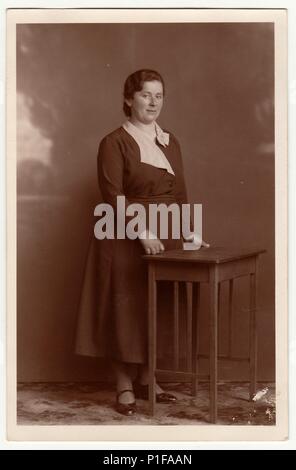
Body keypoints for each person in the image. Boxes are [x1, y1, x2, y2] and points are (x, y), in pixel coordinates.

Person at [75, 69, 208, 416]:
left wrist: (189, 232)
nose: (153, 102)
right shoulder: (114, 142)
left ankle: (149, 378)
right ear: (128, 99)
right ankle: (123, 385)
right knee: (126, 308)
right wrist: (143, 233)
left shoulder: (170, 140)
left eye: (159, 95)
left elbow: (179, 192)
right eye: (146, 95)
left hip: (164, 233)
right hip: (123, 233)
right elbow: (112, 195)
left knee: (156, 305)